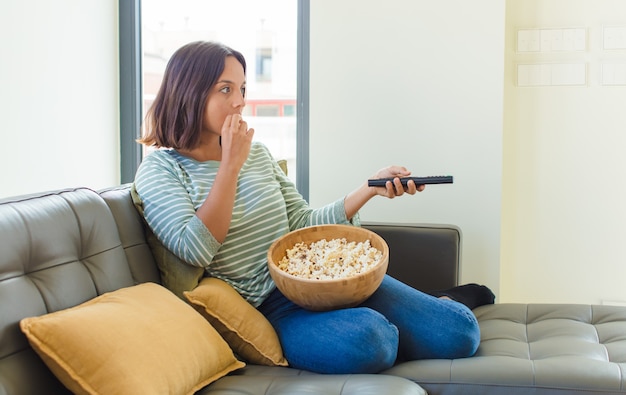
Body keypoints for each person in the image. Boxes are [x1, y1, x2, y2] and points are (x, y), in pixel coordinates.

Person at [133, 41, 494, 374]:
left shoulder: (256, 154)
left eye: (242, 89)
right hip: (273, 305)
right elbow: (195, 249)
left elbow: (302, 223)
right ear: (189, 92)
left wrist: (370, 188)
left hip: (323, 278)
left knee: (460, 333)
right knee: (374, 341)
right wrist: (229, 166)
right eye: (225, 89)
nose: (240, 101)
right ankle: (394, 318)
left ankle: (443, 302)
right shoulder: (161, 168)